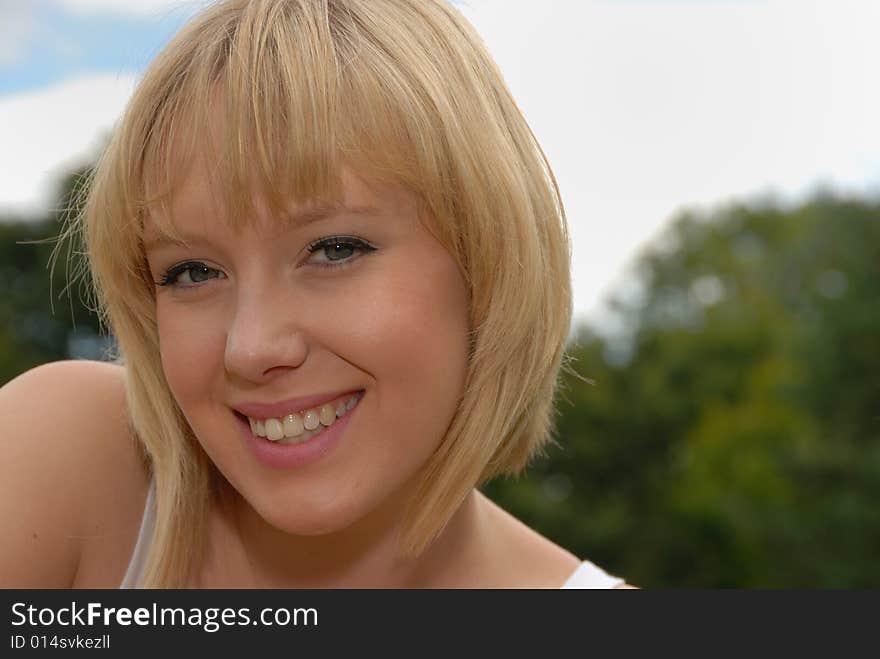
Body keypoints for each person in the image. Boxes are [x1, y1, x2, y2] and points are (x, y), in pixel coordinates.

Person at [0, 0, 632, 589]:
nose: (251, 348)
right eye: (193, 271)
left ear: (487, 263)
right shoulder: (76, 467)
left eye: (334, 249)